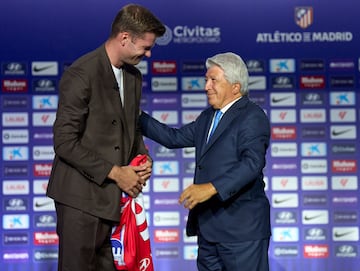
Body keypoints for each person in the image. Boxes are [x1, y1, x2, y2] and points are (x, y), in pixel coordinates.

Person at [46, 4, 165, 271]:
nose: (148, 53)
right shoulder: (82, 73)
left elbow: (131, 128)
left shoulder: (133, 76)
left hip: (113, 202)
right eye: (145, 47)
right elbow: (64, 141)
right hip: (79, 199)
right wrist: (115, 172)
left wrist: (142, 156)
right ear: (124, 37)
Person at [140, 52, 271, 271]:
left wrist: (211, 188)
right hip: (208, 230)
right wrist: (134, 115)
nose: (206, 86)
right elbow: (173, 138)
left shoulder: (252, 116)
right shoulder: (208, 117)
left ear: (235, 87)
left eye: (213, 80)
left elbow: (251, 164)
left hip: (241, 233)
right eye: (206, 80)